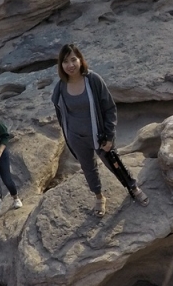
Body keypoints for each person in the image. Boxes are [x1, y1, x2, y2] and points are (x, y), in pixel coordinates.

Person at [52, 43, 149, 216]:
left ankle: (133, 187)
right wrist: (68, 134)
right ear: (61, 65)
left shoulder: (93, 80)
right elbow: (60, 112)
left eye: (73, 59)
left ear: (80, 60)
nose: (70, 65)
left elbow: (109, 108)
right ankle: (99, 197)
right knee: (88, 168)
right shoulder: (60, 87)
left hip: (99, 135)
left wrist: (109, 136)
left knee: (113, 162)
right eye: (65, 61)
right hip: (76, 137)